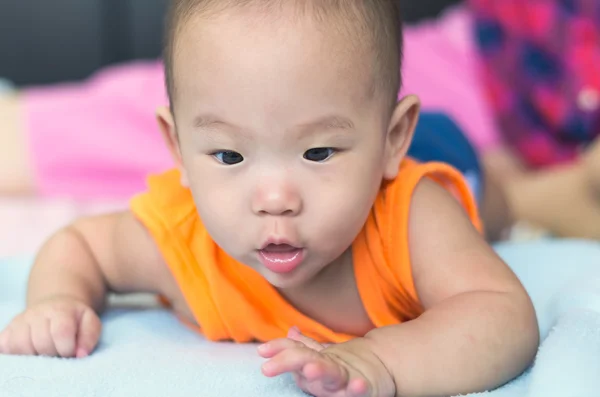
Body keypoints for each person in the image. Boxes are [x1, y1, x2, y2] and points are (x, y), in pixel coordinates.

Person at [0, 1, 537, 396]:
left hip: (439, 149)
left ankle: (523, 189)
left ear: (391, 139)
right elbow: (80, 248)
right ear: (179, 150)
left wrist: (382, 361)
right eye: (229, 157)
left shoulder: (411, 218)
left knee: (487, 201)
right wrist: (57, 301)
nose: (275, 198)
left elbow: (503, 315)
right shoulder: (179, 239)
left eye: (319, 152)